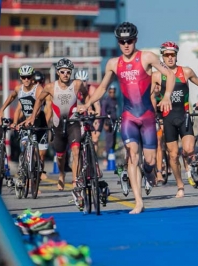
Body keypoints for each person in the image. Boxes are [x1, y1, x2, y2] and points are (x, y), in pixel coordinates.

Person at [77, 22, 176, 214]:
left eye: (129, 41)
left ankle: (149, 173)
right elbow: (103, 88)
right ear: (118, 42)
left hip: (147, 116)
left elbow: (169, 74)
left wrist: (166, 96)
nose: (126, 45)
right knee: (132, 156)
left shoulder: (147, 57)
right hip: (129, 116)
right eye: (122, 41)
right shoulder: (114, 63)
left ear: (135, 40)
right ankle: (138, 201)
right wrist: (87, 104)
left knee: (149, 162)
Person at [151, 41, 198, 198]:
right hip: (168, 118)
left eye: (172, 55)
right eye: (166, 55)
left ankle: (189, 167)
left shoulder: (186, 72)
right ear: (162, 56)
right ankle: (180, 185)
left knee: (189, 150)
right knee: (173, 155)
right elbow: (149, 95)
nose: (169, 58)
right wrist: (152, 109)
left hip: (184, 116)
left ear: (176, 56)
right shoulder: (156, 75)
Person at [23, 58, 88, 192]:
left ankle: (75, 181)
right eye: (63, 72)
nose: (65, 74)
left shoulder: (76, 84)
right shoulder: (50, 87)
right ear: (58, 72)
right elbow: (39, 100)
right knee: (60, 156)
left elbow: (86, 94)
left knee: (76, 151)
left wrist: (87, 105)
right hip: (58, 125)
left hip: (73, 122)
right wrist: (32, 117)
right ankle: (62, 174)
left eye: (68, 72)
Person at [0, 65, 51, 185]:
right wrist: (2, 109)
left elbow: (38, 109)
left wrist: (28, 120)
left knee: (41, 155)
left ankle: (37, 176)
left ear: (32, 77)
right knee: (25, 145)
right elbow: (12, 97)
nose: (26, 79)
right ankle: (25, 171)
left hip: (39, 123)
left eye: (28, 77)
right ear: (21, 78)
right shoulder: (19, 89)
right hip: (26, 123)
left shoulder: (38, 89)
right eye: (24, 77)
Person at [75, 70, 102, 152]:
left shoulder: (92, 89)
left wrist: (96, 120)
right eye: (80, 81)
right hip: (80, 113)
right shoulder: (74, 90)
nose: (82, 83)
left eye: (84, 81)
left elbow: (97, 107)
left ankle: (94, 159)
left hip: (92, 113)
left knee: (95, 138)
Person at [100, 84, 118, 159]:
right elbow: (103, 112)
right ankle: (107, 157)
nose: (112, 94)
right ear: (108, 92)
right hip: (108, 122)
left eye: (113, 92)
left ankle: (112, 156)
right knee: (109, 140)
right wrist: (104, 123)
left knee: (114, 140)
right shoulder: (106, 101)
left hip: (114, 122)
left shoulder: (115, 100)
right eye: (110, 92)